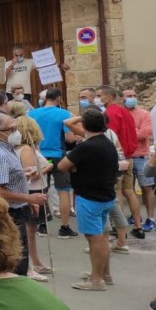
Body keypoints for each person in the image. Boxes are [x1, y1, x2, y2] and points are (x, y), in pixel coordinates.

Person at [0, 113, 46, 279]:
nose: (16, 132)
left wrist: (20, 174)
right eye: (12, 129)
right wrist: (29, 198)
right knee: (17, 261)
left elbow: (3, 178)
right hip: (9, 213)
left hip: (15, 209)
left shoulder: (5, 148)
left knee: (17, 258)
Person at [53, 108, 120, 290]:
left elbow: (62, 165)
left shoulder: (87, 146)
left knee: (94, 238)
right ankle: (103, 273)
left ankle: (96, 280)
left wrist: (75, 167)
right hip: (105, 195)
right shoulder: (105, 142)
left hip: (90, 197)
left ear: (84, 124)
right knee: (101, 237)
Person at [29, 87, 76, 237]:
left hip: (40, 156)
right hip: (58, 156)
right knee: (63, 191)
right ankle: (64, 227)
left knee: (42, 190)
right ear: (58, 99)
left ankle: (42, 225)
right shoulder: (63, 113)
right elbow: (69, 138)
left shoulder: (33, 113)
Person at [99, 86, 144, 234]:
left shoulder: (109, 113)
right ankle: (138, 226)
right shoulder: (125, 112)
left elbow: (110, 137)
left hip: (117, 159)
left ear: (107, 97)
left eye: (99, 95)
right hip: (129, 157)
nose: (97, 98)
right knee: (129, 191)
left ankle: (119, 228)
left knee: (117, 192)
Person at [15, 116, 53, 281]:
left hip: (34, 191)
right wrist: (47, 168)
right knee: (29, 232)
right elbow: (30, 174)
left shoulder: (25, 148)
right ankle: (29, 266)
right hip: (33, 192)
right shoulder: (27, 150)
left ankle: (35, 262)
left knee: (31, 231)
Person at [123, 87, 155, 235]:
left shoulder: (144, 114)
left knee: (147, 188)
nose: (132, 98)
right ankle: (135, 216)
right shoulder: (121, 114)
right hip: (126, 156)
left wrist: (128, 132)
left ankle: (150, 218)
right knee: (128, 189)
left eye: (134, 95)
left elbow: (145, 134)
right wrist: (134, 130)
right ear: (122, 98)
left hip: (141, 156)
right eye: (129, 95)